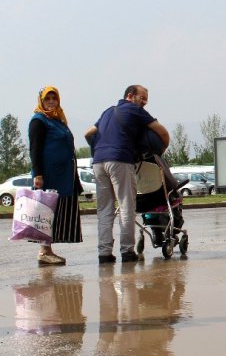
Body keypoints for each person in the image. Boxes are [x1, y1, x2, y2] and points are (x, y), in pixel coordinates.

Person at [85, 85, 169, 264]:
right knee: (126, 205)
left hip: (98, 162)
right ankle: (127, 251)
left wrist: (96, 148)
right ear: (130, 96)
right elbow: (161, 131)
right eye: (142, 98)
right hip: (120, 159)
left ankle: (104, 253)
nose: (144, 102)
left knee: (105, 210)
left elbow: (88, 133)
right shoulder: (135, 110)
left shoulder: (108, 111)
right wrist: (162, 149)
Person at [28, 86, 83, 266]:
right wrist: (38, 174)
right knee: (47, 212)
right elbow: (35, 149)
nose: (51, 101)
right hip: (49, 175)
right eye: (47, 99)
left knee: (57, 212)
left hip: (63, 175)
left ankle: (48, 249)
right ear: (41, 101)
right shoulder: (39, 121)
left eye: (54, 98)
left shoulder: (58, 120)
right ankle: (44, 251)